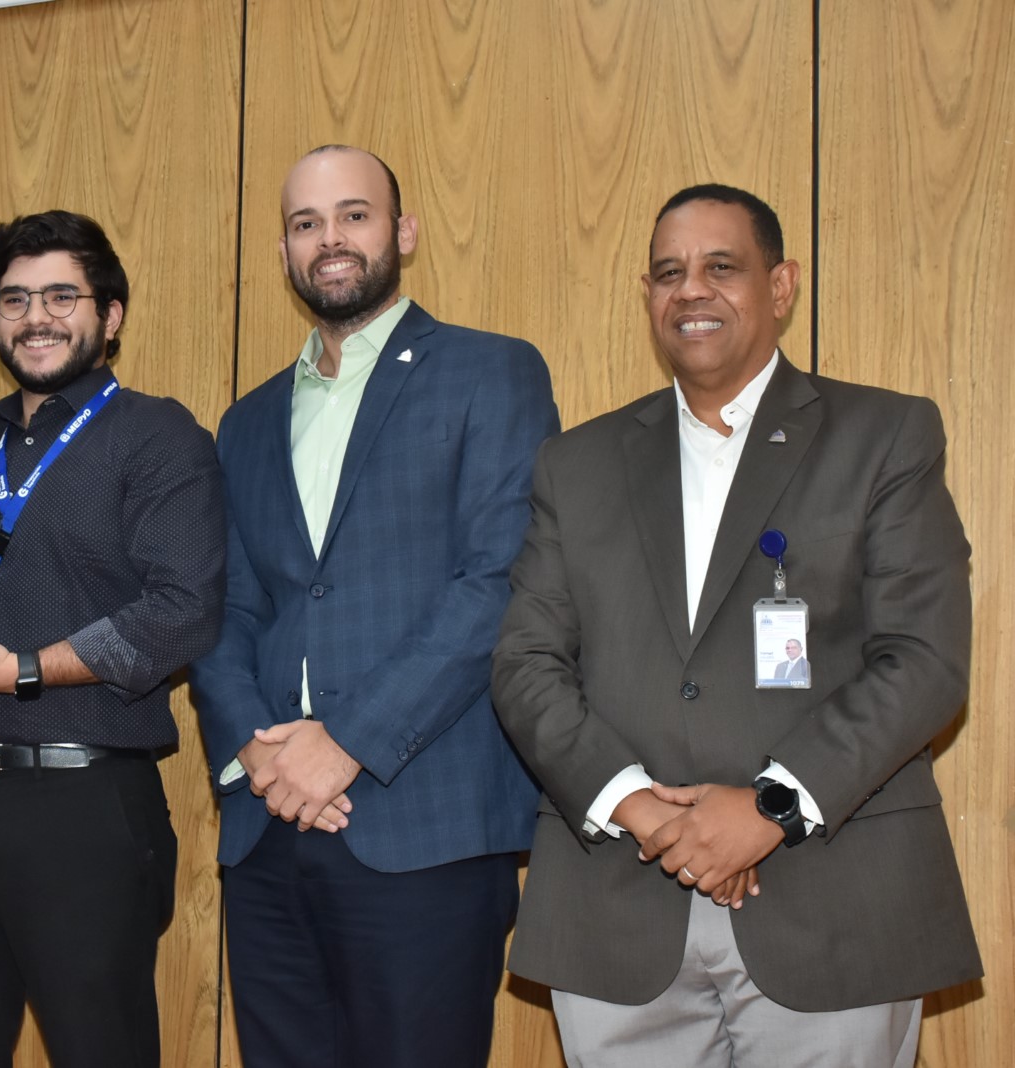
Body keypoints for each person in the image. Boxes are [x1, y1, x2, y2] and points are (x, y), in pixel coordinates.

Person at [492, 185, 981, 1066]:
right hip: (617, 906)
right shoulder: (577, 464)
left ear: (782, 285)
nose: (692, 291)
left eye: (723, 268)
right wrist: (640, 810)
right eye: (669, 273)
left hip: (834, 906)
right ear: (647, 296)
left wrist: (768, 808)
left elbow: (923, 661)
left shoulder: (886, 435)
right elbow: (526, 665)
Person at [188, 145, 559, 1068]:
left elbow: (498, 582)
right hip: (267, 831)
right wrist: (260, 755)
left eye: (354, 215)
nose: (331, 240)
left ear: (404, 232)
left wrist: (344, 744)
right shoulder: (246, 420)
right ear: (283, 254)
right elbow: (223, 610)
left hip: (422, 825)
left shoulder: (491, 372)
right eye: (306, 224)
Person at [0, 209, 224, 1068]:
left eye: (62, 296)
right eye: (15, 298)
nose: (36, 316)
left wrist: (20, 672)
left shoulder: (159, 435)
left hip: (83, 805)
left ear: (110, 315)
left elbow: (183, 612)